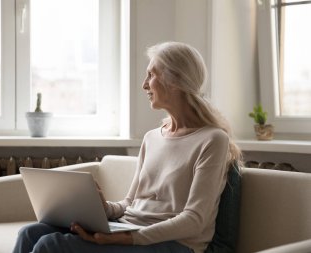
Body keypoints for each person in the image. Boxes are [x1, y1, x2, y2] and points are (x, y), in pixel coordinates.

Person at [12, 41, 242, 253]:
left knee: (51, 245)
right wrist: (103, 210)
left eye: (151, 75)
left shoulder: (213, 140)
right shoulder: (152, 138)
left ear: (175, 82)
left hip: (174, 244)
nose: (144, 85)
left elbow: (194, 220)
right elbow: (131, 203)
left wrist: (128, 238)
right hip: (129, 229)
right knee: (30, 233)